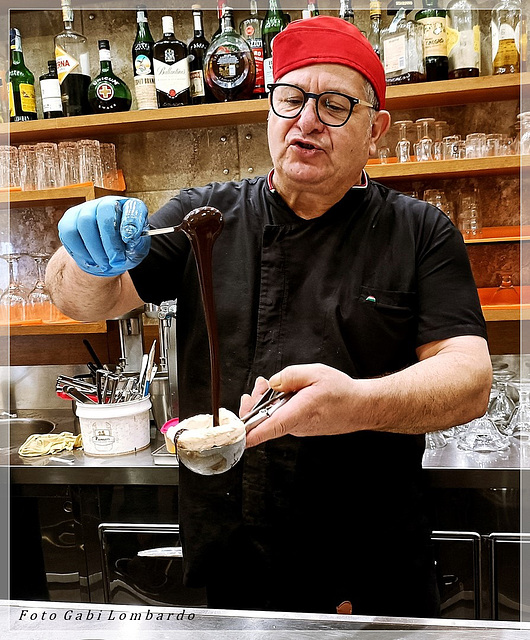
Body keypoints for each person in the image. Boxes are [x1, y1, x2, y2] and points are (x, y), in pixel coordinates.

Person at [46, 16, 492, 617]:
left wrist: (355, 403)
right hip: (232, 566)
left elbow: (469, 380)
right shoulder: (205, 214)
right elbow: (84, 300)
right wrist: (84, 258)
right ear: (269, 107)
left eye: (335, 104)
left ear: (376, 128)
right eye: (291, 98)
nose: (306, 120)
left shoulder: (419, 231)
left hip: (370, 569)